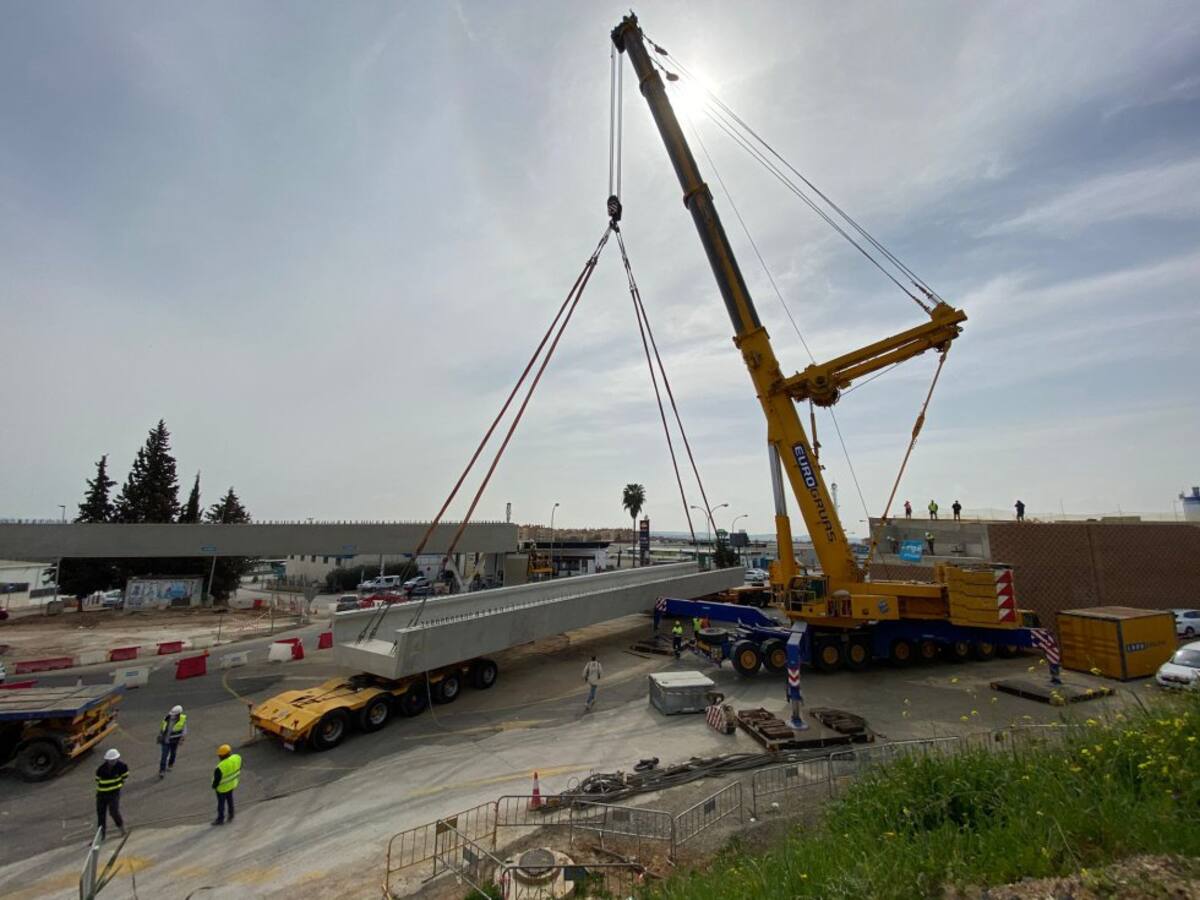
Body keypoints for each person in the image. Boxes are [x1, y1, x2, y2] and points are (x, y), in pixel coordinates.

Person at [95, 748, 129, 840]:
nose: (112, 762)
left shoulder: (122, 766)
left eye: (114, 760)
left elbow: (125, 777)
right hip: (102, 794)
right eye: (110, 760)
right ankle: (101, 836)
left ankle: (122, 829)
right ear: (107, 760)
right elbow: (97, 780)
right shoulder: (101, 770)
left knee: (114, 811)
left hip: (114, 793)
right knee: (101, 815)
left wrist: (118, 786)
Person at [211, 744, 242, 826]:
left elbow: (216, 780)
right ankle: (231, 815)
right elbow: (239, 766)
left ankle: (220, 819)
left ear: (220, 756)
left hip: (222, 788)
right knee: (230, 799)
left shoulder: (220, 767)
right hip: (232, 784)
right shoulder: (236, 758)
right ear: (229, 752)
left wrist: (214, 786)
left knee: (221, 803)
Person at [157, 704, 187, 778]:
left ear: (179, 714)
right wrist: (160, 736)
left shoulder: (182, 720)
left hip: (174, 741)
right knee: (164, 755)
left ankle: (170, 764)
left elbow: (184, 730)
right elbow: (162, 728)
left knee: (173, 753)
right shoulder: (166, 718)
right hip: (165, 741)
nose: (172, 716)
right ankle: (162, 771)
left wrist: (182, 738)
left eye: (174, 714)